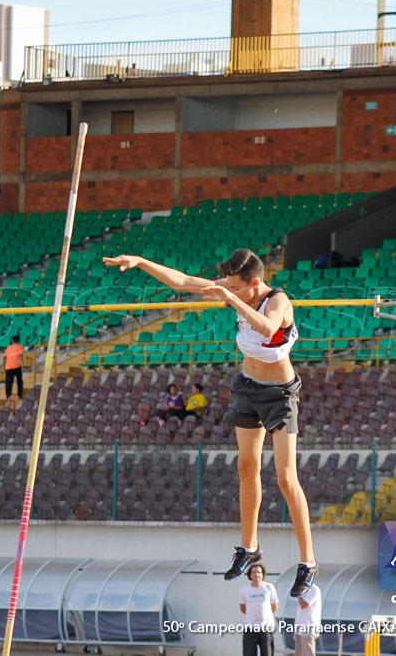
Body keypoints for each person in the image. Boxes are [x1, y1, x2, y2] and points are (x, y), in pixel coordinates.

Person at [103, 248, 318, 597]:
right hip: (248, 387)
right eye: (227, 285)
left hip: (279, 395)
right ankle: (250, 548)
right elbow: (185, 282)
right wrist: (142, 262)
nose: (226, 288)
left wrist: (229, 297)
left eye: (235, 285)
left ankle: (308, 562)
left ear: (255, 283)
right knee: (246, 467)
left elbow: (266, 328)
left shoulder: (278, 302)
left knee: (285, 477)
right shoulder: (236, 289)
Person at [239, 563, 277, 656]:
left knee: (267, 653)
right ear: (250, 575)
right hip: (250, 628)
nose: (257, 574)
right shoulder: (244, 590)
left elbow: (274, 606)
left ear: (263, 574)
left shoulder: (269, 587)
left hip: (266, 628)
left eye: (259, 572)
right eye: (254, 572)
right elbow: (243, 608)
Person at [293, 583, 322, 656]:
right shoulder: (302, 588)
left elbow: (303, 604)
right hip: (299, 627)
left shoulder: (314, 589)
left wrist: (298, 592)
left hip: (308, 628)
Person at [4, 335, 25, 404]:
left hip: (8, 367)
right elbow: (21, 356)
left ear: (13, 341)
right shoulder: (20, 346)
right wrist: (23, 365)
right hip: (17, 366)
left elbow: (4, 357)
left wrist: (4, 366)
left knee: (8, 383)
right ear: (19, 340)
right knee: (19, 382)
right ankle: (19, 395)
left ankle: (8, 396)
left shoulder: (8, 347)